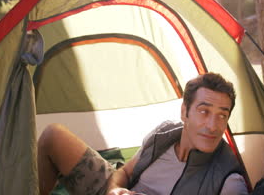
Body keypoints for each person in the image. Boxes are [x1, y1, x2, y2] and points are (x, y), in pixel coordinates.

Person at [38, 72, 249, 195]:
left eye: (222, 115)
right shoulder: (165, 134)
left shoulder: (228, 180)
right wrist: (115, 191)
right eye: (204, 112)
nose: (213, 125)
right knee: (53, 136)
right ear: (184, 112)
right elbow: (126, 172)